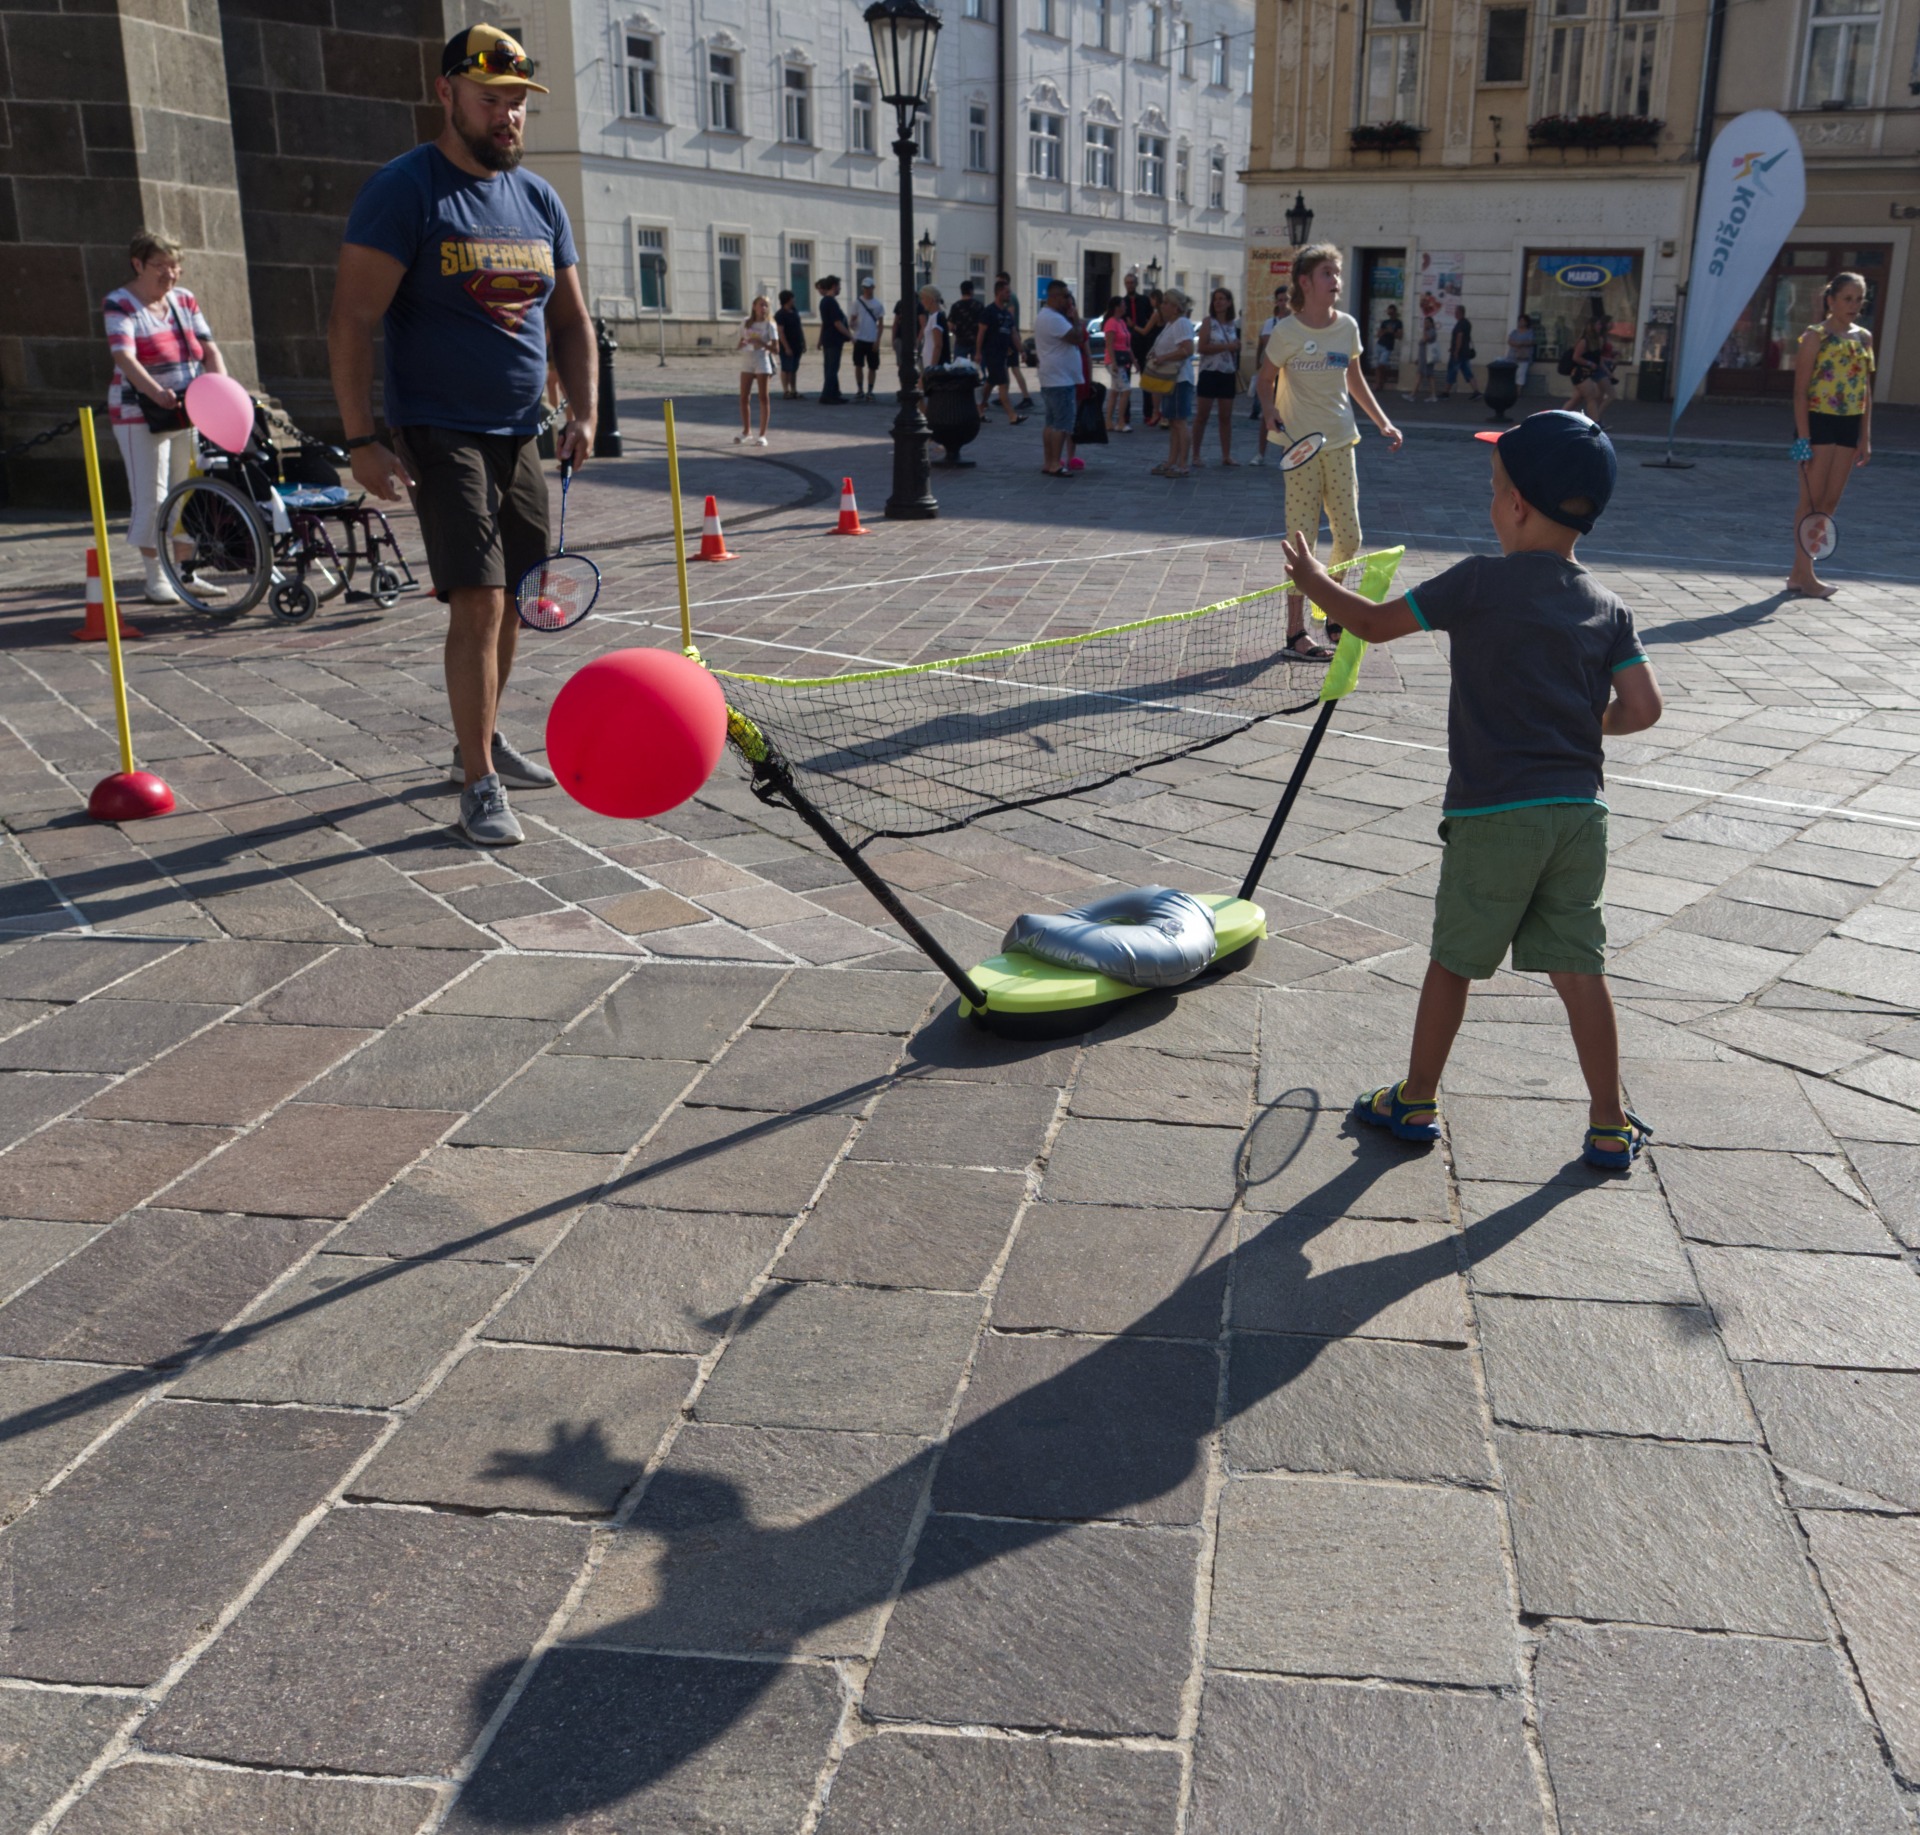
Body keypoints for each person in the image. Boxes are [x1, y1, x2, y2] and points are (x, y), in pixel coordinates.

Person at [1280, 410, 1663, 1173]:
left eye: (1494, 489)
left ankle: (1416, 1098)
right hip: (1580, 816)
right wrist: (1591, 722)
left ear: (1515, 504)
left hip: (1493, 812)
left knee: (1454, 961)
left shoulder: (1479, 581)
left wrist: (1316, 582)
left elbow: (1374, 625)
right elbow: (1644, 708)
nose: (1492, 502)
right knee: (1580, 968)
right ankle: (1608, 1122)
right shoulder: (1608, 607)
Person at [329, 23, 594, 849]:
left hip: (521, 431)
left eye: (518, 103)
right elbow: (351, 320)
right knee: (478, 598)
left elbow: (571, 320)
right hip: (441, 428)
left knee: (515, 597)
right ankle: (478, 782)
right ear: (446, 93)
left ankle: (476, 741)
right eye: (491, 101)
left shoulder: (539, 199)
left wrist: (584, 413)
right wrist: (362, 440)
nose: (508, 117)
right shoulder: (406, 190)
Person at [1258, 244, 1403, 657]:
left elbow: (1354, 379)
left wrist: (1382, 421)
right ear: (1305, 282)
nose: (1336, 280)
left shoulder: (1348, 327)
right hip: (1299, 448)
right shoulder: (1286, 331)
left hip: (1341, 441)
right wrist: (1268, 411)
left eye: (1337, 273)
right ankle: (1295, 633)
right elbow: (1264, 378)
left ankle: (1331, 604)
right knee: (1301, 541)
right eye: (1327, 272)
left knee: (1350, 537)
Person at [104, 230, 234, 605]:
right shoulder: (120, 302)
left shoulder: (184, 299)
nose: (170, 274)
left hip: (186, 409)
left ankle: (185, 573)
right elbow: (124, 356)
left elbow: (209, 350)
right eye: (160, 265)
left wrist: (220, 390)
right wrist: (154, 392)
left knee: (187, 491)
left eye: (175, 266)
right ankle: (156, 577)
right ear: (138, 264)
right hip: (139, 413)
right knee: (152, 496)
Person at [1788, 270, 1874, 600]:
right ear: (1831, 300)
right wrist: (1803, 439)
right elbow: (1799, 392)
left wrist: (1865, 436)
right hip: (1817, 423)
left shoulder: (1864, 338)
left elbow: (1864, 389)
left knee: (1829, 503)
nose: (1854, 305)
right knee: (1811, 501)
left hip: (1848, 424)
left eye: (1858, 299)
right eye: (1847, 298)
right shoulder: (1815, 336)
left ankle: (1798, 574)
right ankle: (1807, 575)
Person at [1033, 277, 1085, 477]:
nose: (1068, 300)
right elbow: (1078, 338)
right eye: (1065, 296)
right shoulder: (1054, 318)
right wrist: (1076, 319)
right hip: (1060, 379)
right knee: (1062, 424)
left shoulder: (1046, 315)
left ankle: (1048, 462)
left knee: (1051, 422)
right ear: (1054, 297)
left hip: (1052, 377)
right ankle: (1055, 463)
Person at [1145, 286, 1197, 478]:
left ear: (1176, 307)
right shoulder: (1171, 324)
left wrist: (1163, 358)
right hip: (1170, 380)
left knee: (1180, 422)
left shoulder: (1181, 323)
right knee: (1174, 423)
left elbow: (1187, 350)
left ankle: (1183, 464)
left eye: (1166, 303)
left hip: (1179, 379)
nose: (1162, 306)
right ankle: (1171, 461)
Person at [1193, 286, 1241, 467]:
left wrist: (1236, 347)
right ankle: (1196, 455)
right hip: (1209, 372)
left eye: (1222, 299)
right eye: (1216, 299)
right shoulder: (1208, 322)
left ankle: (1226, 455)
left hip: (1227, 373)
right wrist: (1227, 347)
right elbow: (1202, 348)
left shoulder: (1232, 325)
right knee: (1202, 416)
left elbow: (1235, 347)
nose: (1218, 302)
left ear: (1229, 303)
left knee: (1226, 417)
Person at [978, 276, 1025, 425]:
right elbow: (981, 333)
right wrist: (978, 352)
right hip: (992, 353)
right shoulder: (989, 311)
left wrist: (1021, 350)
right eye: (1007, 292)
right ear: (998, 293)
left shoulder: (1007, 314)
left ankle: (979, 409)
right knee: (1003, 384)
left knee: (991, 382)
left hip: (1004, 354)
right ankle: (1012, 416)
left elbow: (1013, 334)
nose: (1009, 295)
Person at [1251, 286, 1290, 464]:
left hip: (1290, 375)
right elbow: (1268, 346)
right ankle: (1261, 453)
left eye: (1286, 300)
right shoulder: (1270, 323)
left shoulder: (1298, 322)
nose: (1283, 304)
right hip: (1272, 373)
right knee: (1267, 413)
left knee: (1289, 414)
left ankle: (1286, 453)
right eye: (1280, 300)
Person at [735, 295, 777, 444]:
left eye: (766, 305)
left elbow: (776, 350)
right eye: (761, 305)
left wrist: (762, 344)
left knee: (763, 397)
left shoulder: (770, 324)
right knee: (744, 397)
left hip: (762, 360)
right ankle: (746, 431)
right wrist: (741, 345)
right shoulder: (746, 322)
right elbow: (740, 342)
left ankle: (762, 435)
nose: (763, 308)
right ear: (754, 306)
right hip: (747, 360)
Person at [995, 271, 1035, 408]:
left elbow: (1009, 317)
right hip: (1009, 335)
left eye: (999, 281)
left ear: (1004, 281)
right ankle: (1004, 396)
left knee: (1015, 368)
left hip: (1011, 336)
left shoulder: (1010, 297)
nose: (996, 284)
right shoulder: (1009, 296)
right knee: (1007, 367)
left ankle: (1026, 397)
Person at [1567, 321, 1616, 426]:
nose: (1600, 326)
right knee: (1591, 398)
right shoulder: (1584, 341)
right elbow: (1576, 357)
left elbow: (1598, 360)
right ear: (1591, 327)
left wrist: (1608, 373)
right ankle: (1595, 423)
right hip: (1580, 373)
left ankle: (1558, 417)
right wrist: (1589, 363)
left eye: (1600, 324)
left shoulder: (1596, 341)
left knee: (1576, 399)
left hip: (1588, 373)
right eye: (1597, 324)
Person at [815, 276, 850, 403]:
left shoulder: (825, 301)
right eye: (839, 286)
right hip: (833, 340)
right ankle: (827, 395)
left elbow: (825, 323)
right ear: (834, 286)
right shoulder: (831, 302)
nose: (840, 288)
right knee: (832, 368)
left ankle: (834, 394)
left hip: (828, 339)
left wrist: (820, 340)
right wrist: (850, 336)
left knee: (830, 367)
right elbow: (837, 323)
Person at [850, 279, 885, 400]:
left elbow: (881, 325)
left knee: (872, 367)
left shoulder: (878, 304)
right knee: (858, 365)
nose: (866, 290)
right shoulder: (857, 302)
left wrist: (878, 341)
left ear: (873, 288)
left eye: (868, 287)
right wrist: (852, 324)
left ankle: (870, 390)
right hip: (859, 338)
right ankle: (860, 389)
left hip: (872, 339)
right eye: (864, 287)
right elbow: (852, 320)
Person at [1103, 297, 1134, 431]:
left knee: (1115, 391)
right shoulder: (1111, 323)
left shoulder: (1121, 322)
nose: (1125, 306)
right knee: (1126, 390)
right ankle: (1121, 422)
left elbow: (1127, 345)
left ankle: (1108, 422)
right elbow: (1109, 345)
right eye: (1123, 304)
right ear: (1116, 307)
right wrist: (1114, 363)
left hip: (1123, 360)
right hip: (1114, 362)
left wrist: (1134, 360)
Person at [946, 279, 984, 388]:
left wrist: (957, 332)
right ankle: (975, 389)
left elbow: (950, 326)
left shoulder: (956, 306)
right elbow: (984, 325)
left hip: (961, 341)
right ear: (971, 291)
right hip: (976, 342)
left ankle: (959, 388)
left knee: (958, 369)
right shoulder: (978, 305)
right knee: (977, 370)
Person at [774, 289, 805, 399]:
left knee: (794, 369)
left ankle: (793, 390)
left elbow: (799, 328)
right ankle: (786, 390)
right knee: (786, 368)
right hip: (786, 346)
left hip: (797, 345)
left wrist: (803, 342)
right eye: (792, 298)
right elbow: (780, 332)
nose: (794, 300)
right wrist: (786, 347)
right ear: (787, 300)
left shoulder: (794, 311)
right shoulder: (780, 314)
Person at [1442, 303, 1477, 399]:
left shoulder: (1460, 324)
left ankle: (1446, 392)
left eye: (1456, 312)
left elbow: (1459, 337)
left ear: (1459, 312)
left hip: (1459, 353)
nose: (1454, 314)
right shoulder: (1467, 323)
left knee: (1452, 371)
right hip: (1465, 352)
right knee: (1467, 372)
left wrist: (1456, 351)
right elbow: (1466, 338)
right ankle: (1476, 391)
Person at [1404, 312, 1439, 403]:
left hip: (1427, 359)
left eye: (1427, 322)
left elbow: (1426, 339)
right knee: (1426, 376)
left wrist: (1424, 330)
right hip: (1423, 359)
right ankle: (1431, 395)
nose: (1425, 324)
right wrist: (1418, 359)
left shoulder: (1431, 331)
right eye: (1425, 322)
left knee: (1424, 376)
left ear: (1431, 323)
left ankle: (1413, 395)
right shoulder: (1428, 331)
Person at [1372, 305, 1403, 387]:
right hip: (1380, 344)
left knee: (1382, 364)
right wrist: (1386, 331)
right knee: (1377, 365)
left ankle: (1383, 378)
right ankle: (1378, 382)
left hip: (1388, 346)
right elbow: (1379, 334)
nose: (1390, 314)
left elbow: (1399, 336)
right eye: (1389, 312)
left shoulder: (1398, 323)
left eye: (1392, 312)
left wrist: (1392, 332)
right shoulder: (1385, 322)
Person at [917, 285, 946, 370]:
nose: (921, 302)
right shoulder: (932, 317)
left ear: (930, 299)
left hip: (935, 368)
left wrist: (932, 368)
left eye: (923, 298)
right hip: (929, 365)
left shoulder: (937, 317)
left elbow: (938, 345)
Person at [1507, 313, 1536, 391]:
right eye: (1520, 321)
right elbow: (1509, 341)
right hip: (1513, 356)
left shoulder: (1530, 332)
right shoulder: (1514, 332)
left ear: (1526, 322)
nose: (1521, 322)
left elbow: (1532, 342)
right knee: (1512, 373)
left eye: (1523, 321)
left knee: (1521, 374)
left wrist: (1522, 343)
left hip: (1524, 357)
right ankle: (1511, 390)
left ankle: (1518, 391)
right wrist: (1515, 344)